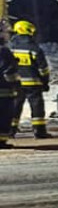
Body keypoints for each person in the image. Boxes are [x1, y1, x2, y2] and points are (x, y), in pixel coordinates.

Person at [9, 19, 51, 139]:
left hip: (16, 82)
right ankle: (39, 131)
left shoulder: (10, 47)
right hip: (33, 83)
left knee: (15, 106)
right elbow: (44, 69)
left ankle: (10, 131)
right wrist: (45, 82)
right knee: (37, 106)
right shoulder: (35, 48)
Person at [0, 20, 18, 149]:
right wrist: (16, 83)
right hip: (3, 92)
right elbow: (9, 73)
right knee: (4, 117)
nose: (8, 34)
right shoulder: (4, 51)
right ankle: (1, 141)